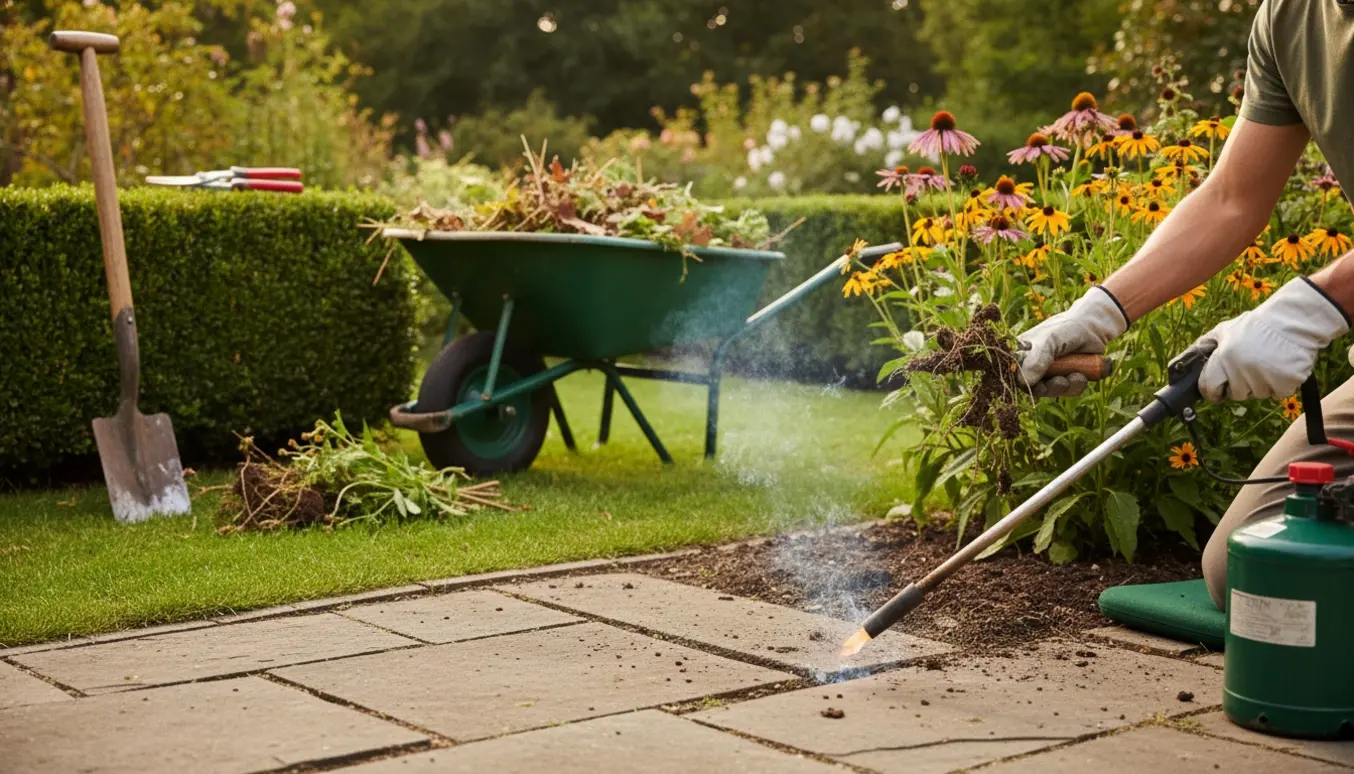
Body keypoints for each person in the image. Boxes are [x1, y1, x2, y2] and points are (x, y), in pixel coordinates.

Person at [1016, 0, 1354, 610]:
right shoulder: (1291, 18)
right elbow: (1232, 197)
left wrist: (1318, 306)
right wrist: (1101, 312)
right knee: (1252, 572)